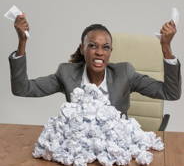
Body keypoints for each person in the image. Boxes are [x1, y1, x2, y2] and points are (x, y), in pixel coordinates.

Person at [8, 13, 181, 116]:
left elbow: (171, 93)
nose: (99, 52)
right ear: (82, 49)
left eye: (105, 47)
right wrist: (22, 42)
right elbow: (22, 89)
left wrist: (166, 47)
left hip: (115, 148)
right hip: (79, 150)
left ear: (110, 52)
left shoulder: (124, 74)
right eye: (92, 46)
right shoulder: (67, 74)